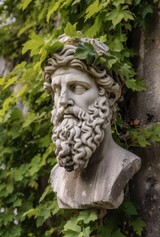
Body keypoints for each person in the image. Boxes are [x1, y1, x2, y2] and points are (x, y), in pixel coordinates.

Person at [44, 35, 141, 209]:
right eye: (57, 90)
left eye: (78, 87)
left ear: (109, 97)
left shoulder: (124, 164)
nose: (63, 100)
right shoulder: (56, 176)